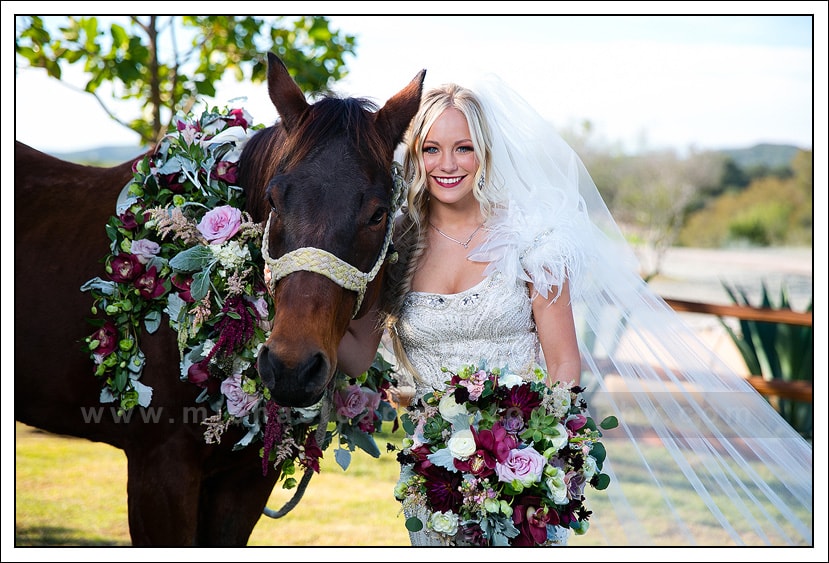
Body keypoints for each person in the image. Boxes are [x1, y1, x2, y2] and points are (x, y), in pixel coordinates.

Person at [337, 74, 813, 548]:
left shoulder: (531, 239)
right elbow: (358, 356)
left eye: (463, 147)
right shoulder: (392, 243)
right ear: (415, 155)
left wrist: (542, 455)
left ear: (485, 154)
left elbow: (564, 363)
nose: (447, 164)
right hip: (434, 476)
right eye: (431, 149)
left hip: (519, 474)